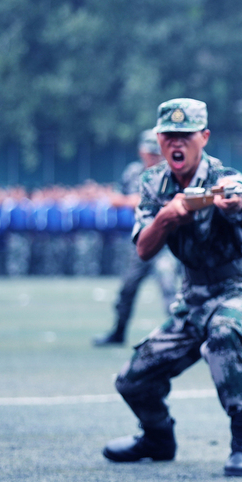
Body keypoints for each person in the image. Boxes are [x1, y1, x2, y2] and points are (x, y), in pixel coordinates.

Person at [102, 99, 242, 477]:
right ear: (159, 140)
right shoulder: (153, 183)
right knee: (132, 380)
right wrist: (167, 215)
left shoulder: (224, 177)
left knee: (225, 332)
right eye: (170, 136)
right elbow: (144, 249)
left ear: (204, 137)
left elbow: (236, 196)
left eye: (186, 136)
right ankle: (157, 438)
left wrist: (231, 201)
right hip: (192, 299)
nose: (177, 144)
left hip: (239, 291)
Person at [93, 130, 178, 346]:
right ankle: (118, 331)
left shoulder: (169, 173)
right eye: (149, 153)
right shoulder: (133, 172)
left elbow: (168, 204)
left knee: (169, 287)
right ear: (141, 152)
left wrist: (134, 200)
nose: (152, 157)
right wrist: (137, 200)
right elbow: (114, 198)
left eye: (156, 154)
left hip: (168, 240)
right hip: (142, 237)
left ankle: (179, 335)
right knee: (127, 287)